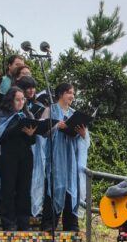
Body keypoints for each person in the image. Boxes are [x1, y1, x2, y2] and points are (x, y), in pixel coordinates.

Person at [0, 87, 44, 231]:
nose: (21, 102)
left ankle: (23, 222)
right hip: (7, 155)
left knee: (24, 189)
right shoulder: (0, 114)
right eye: (18, 99)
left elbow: (32, 142)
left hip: (25, 155)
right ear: (11, 100)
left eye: (23, 99)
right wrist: (17, 127)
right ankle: (8, 222)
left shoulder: (27, 114)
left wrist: (31, 134)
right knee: (8, 188)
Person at [39, 83, 90, 232]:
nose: (72, 96)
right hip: (55, 156)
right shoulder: (50, 110)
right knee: (54, 186)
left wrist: (82, 134)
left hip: (71, 158)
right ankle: (49, 223)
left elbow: (85, 140)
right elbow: (42, 131)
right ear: (61, 94)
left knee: (71, 188)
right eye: (69, 93)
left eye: (73, 93)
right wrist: (56, 127)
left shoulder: (75, 113)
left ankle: (71, 224)